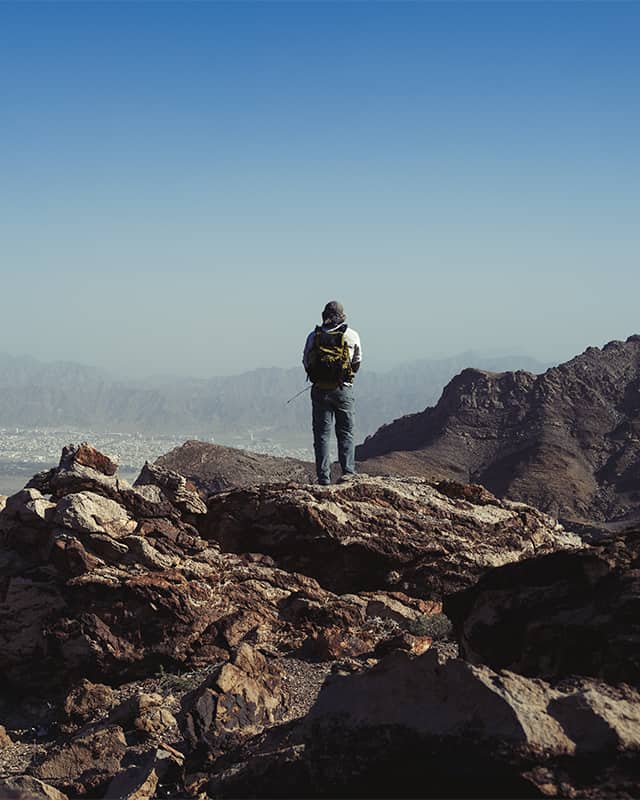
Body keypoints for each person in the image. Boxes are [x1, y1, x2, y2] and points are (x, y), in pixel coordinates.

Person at [302, 301, 362, 485]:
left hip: (320, 390)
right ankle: (348, 474)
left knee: (322, 435)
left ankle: (324, 478)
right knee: (346, 432)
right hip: (343, 390)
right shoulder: (351, 335)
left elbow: (306, 361)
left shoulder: (314, 336)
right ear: (342, 316)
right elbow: (357, 362)